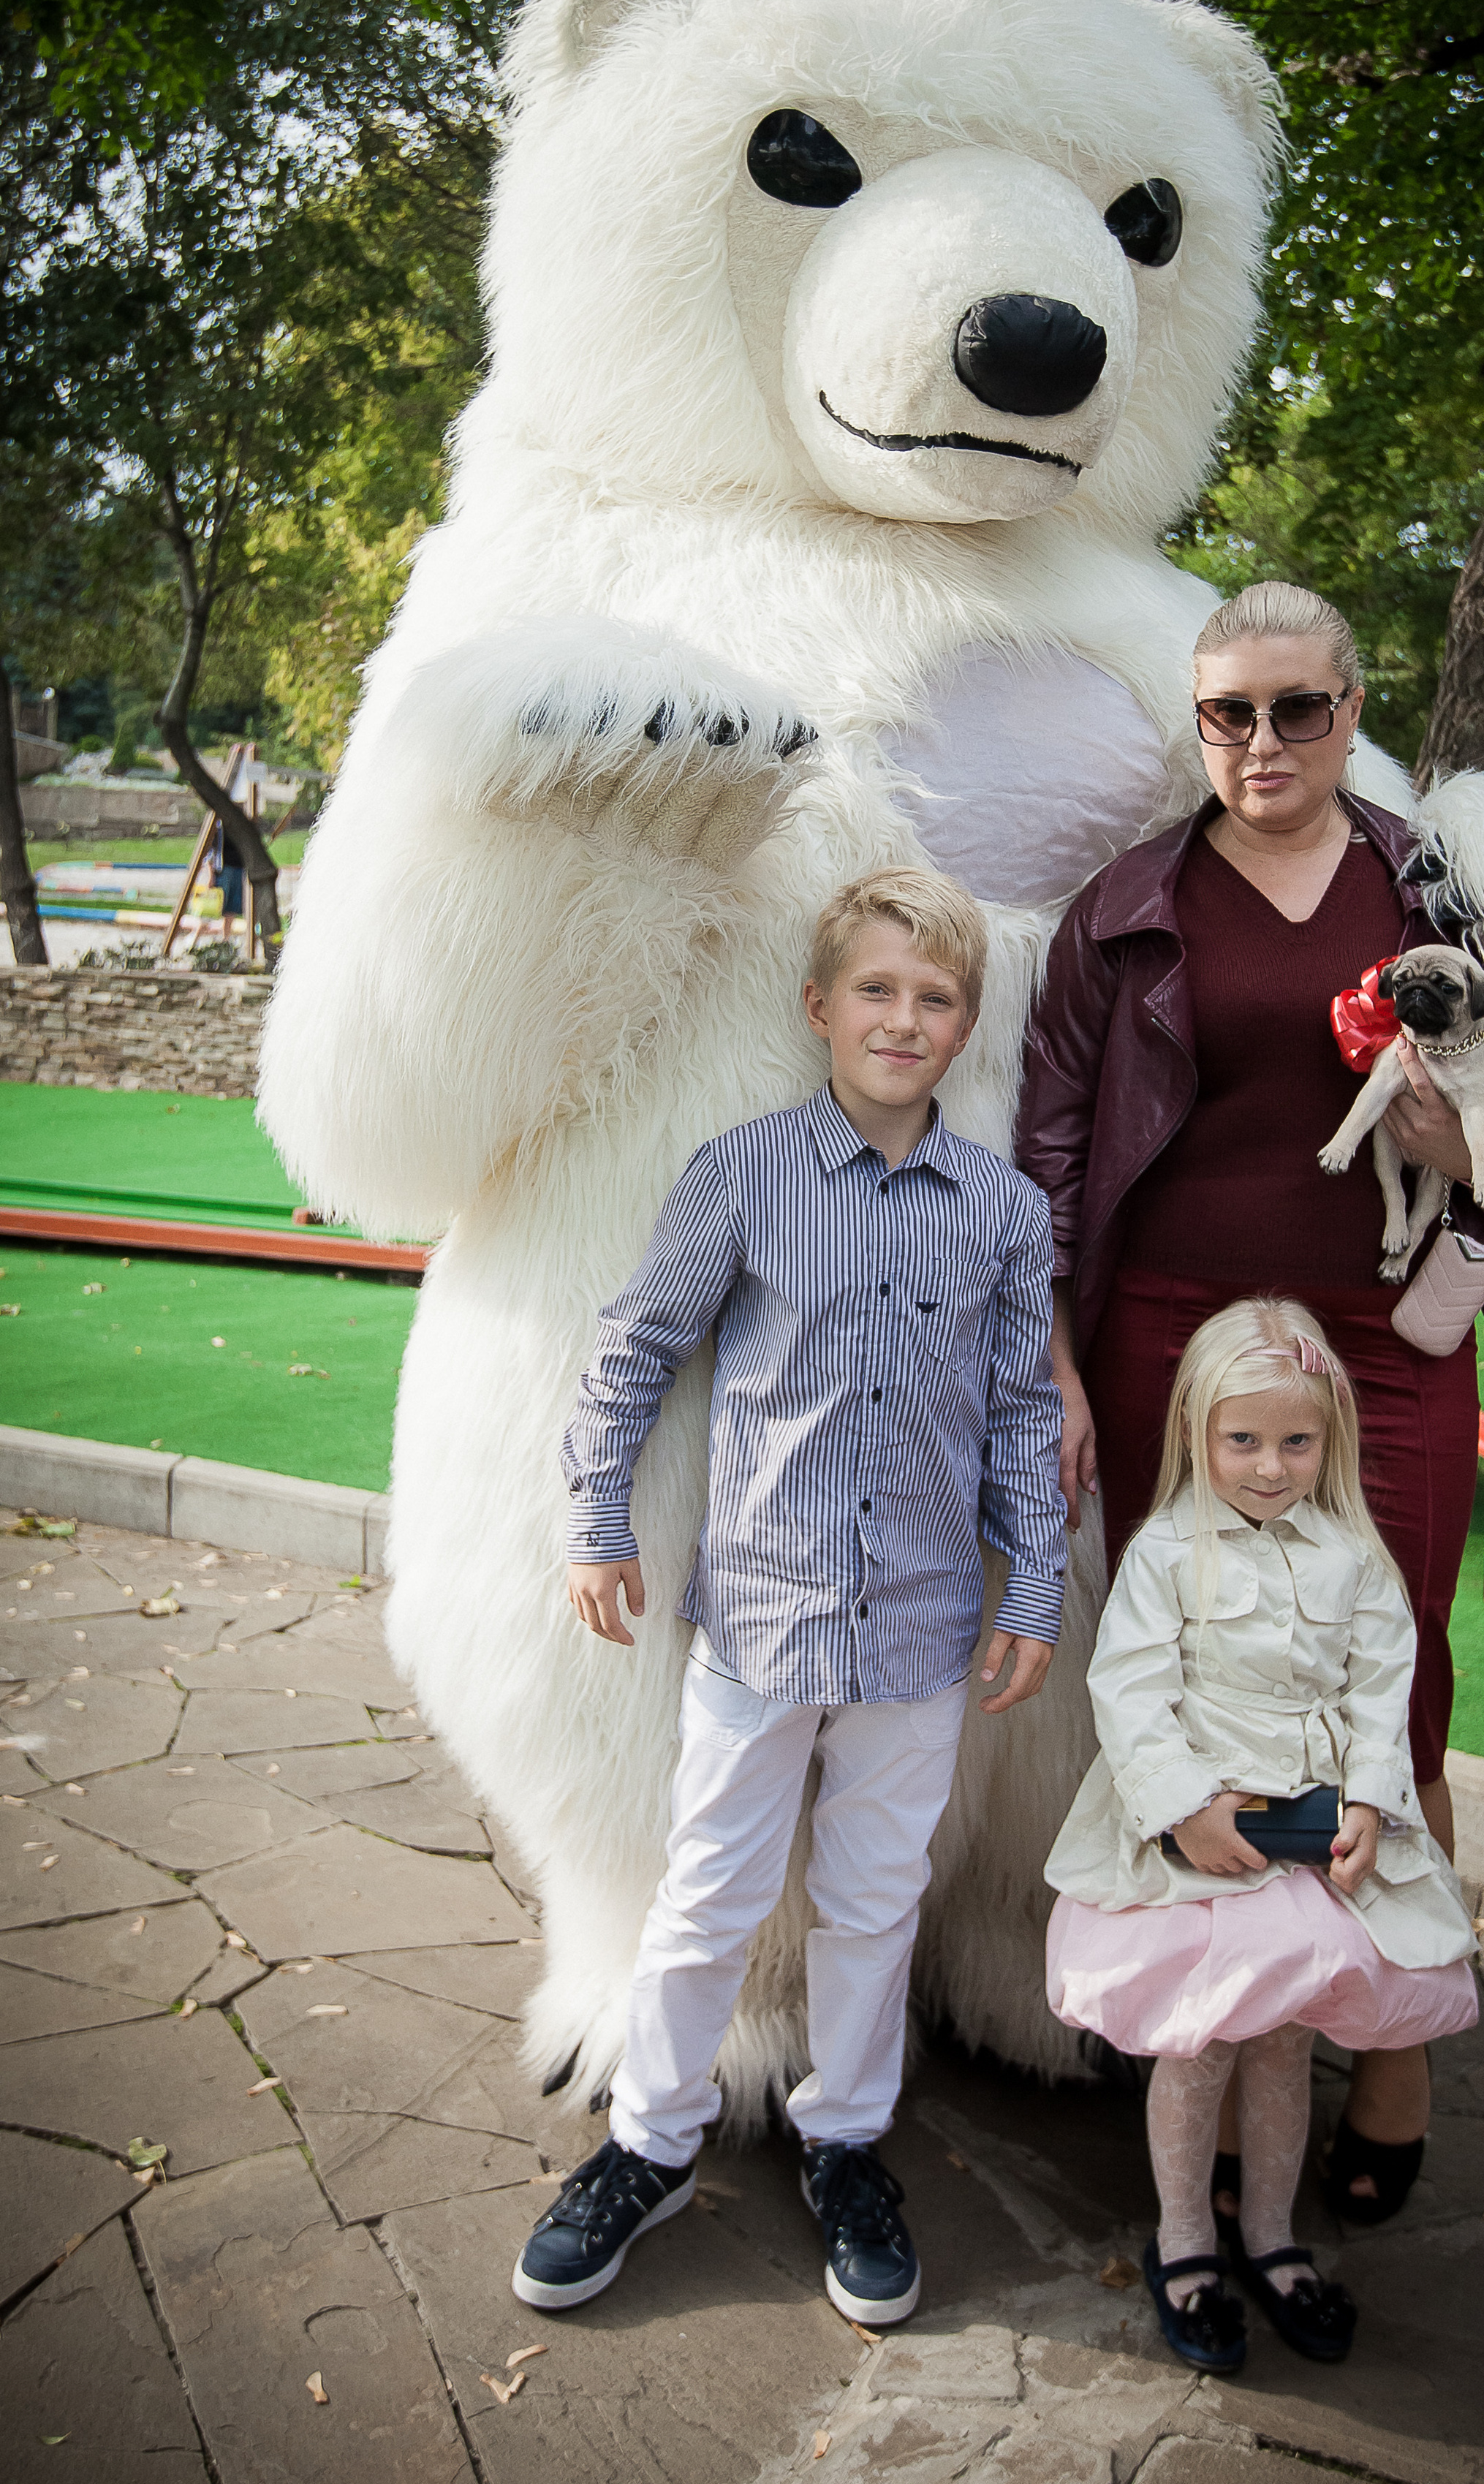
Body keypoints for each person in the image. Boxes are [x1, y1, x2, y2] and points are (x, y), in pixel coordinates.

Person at [1015, 579, 1484, 2229]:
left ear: (1351, 707)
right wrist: (1054, 1354)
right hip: (1169, 1337)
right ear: (1198, 725)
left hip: (1387, 1334)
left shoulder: (1441, 887)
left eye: (1298, 709)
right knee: (1190, 1664)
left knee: (1400, 1666)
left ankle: (1391, 2045)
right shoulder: (1127, 904)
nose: (1263, 743)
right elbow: (1052, 1144)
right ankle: (1207, 1997)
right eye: (1228, 714)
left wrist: (1467, 1141)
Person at [512, 867, 1067, 2325]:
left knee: (875, 1905)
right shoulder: (743, 1174)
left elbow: (1023, 1415)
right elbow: (636, 1349)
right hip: (760, 1619)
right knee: (708, 1894)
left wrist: (1034, 1592)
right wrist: (595, 1518)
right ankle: (650, 2143)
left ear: (964, 1027)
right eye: (875, 989)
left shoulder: (1004, 1214)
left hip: (924, 1634)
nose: (902, 1018)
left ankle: (846, 2142)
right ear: (820, 1006)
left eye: (933, 997)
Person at [1045, 1298, 1478, 2374]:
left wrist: (1370, 1800)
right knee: (1200, 2050)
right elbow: (1130, 1689)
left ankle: (1274, 2238)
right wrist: (1185, 1808)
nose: (1271, 1466)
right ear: (1197, 1430)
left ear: (1332, 1437)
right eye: (1243, 1439)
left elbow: (1381, 1693)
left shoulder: (1355, 1558)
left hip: (1309, 1845)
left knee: (1285, 2046)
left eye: (1296, 1441)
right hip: (1205, 1843)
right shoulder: (1164, 1555)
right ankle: (1186, 2242)